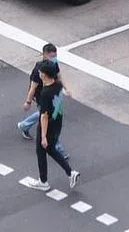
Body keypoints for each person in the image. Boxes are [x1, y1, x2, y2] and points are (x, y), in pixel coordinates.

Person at [24, 61, 80, 192]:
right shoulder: (58, 85)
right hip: (57, 123)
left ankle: (43, 181)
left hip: (48, 126)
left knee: (41, 151)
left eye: (40, 72)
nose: (39, 73)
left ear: (44, 75)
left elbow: (43, 116)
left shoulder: (45, 93)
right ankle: (70, 173)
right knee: (50, 149)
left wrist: (43, 136)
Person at [20, 43, 69, 141]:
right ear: (45, 55)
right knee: (45, 113)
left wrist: (66, 88)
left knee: (45, 112)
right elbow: (33, 87)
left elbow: (58, 76)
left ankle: (25, 125)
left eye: (55, 56)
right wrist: (28, 102)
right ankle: (25, 126)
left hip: (50, 92)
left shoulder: (53, 64)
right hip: (40, 95)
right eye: (52, 56)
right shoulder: (39, 70)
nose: (54, 58)